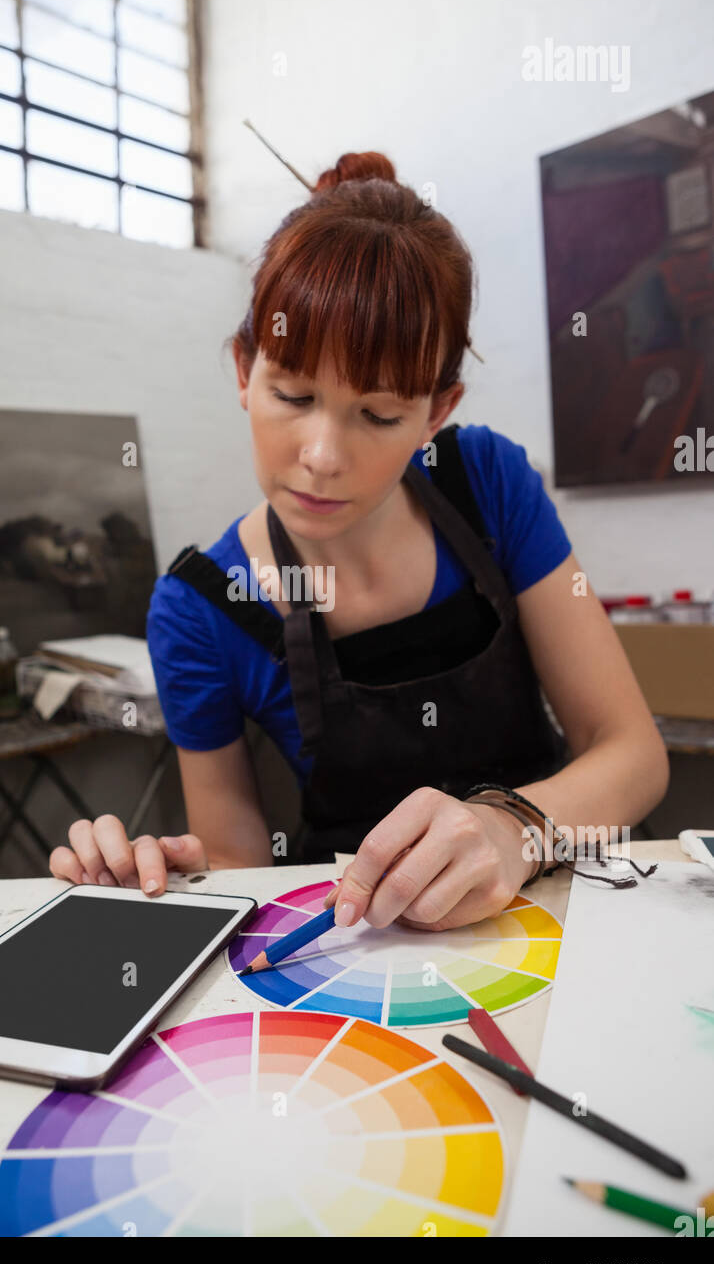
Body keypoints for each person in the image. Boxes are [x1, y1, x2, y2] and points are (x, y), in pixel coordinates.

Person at [49, 151, 668, 932]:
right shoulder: (201, 605)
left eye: (378, 416)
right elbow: (241, 861)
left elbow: (631, 754)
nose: (322, 456)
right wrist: (165, 879)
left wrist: (513, 830)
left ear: (435, 413)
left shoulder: (485, 484)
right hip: (356, 949)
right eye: (293, 395)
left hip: (553, 905)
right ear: (245, 369)